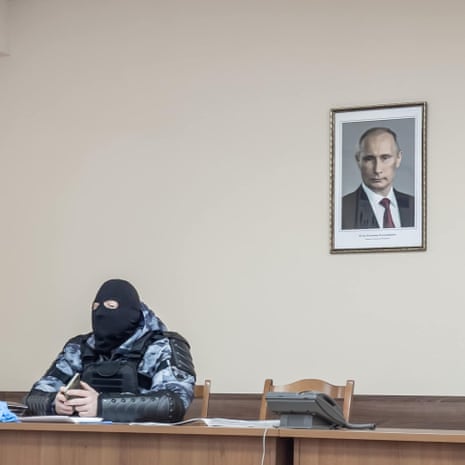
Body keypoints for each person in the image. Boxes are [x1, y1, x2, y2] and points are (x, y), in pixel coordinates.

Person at [24, 279, 196, 423]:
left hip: (145, 445)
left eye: (111, 306)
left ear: (132, 313)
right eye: (95, 307)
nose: (100, 313)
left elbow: (173, 404)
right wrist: (54, 403)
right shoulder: (79, 348)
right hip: (81, 443)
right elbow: (31, 398)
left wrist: (101, 405)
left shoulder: (164, 345)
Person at [341, 127, 415, 230]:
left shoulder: (416, 206)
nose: (377, 169)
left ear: (398, 159)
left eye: (385, 158)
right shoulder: (341, 209)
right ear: (358, 160)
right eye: (369, 159)